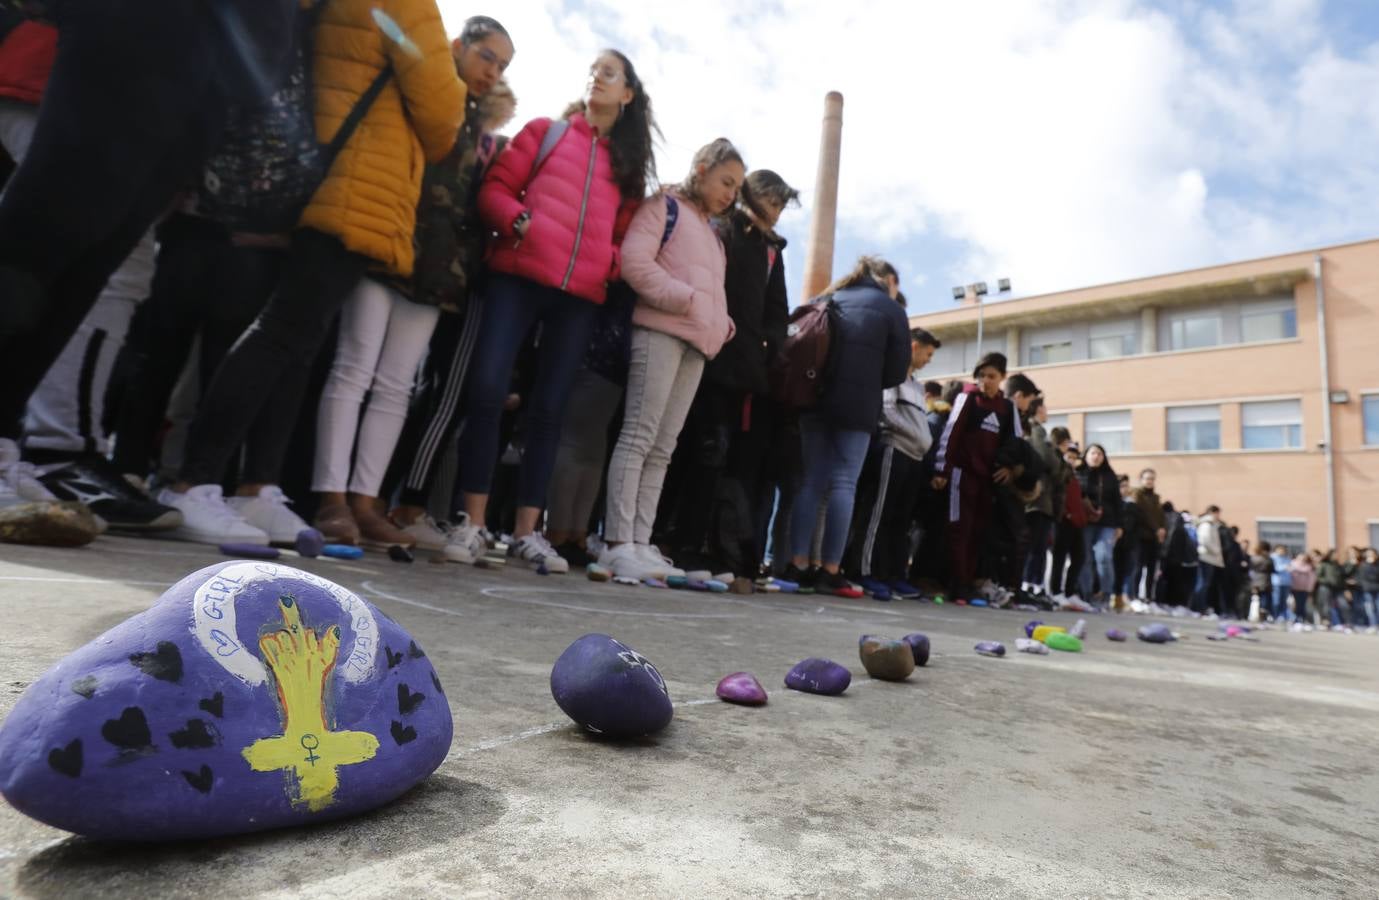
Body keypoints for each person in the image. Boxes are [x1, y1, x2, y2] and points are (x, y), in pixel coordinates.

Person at [157, 0, 466, 545]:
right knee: (283, 332)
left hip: (328, 174)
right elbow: (443, 112)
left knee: (300, 343)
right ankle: (193, 482)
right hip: (357, 183)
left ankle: (256, 489)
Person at [0, 0, 295, 440]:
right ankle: (46, 441)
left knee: (91, 263)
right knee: (39, 240)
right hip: (134, 34)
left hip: (205, 75)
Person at [446, 49, 658, 572]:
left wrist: (606, 265)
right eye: (593, 70)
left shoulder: (627, 168)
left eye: (609, 74)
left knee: (549, 413)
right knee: (489, 391)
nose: (596, 78)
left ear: (628, 94)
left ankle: (526, 532)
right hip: (516, 277)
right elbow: (496, 188)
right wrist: (519, 221)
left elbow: (624, 236)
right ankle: (471, 523)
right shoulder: (546, 131)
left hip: (579, 298)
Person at [311, 15, 515, 549]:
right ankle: (330, 496)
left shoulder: (476, 122)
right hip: (388, 237)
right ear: (458, 47)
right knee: (354, 365)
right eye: (487, 56)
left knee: (397, 385)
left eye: (502, 65)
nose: (492, 72)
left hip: (438, 267)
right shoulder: (424, 87)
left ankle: (365, 500)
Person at [597, 138, 743, 580]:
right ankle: (617, 542)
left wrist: (721, 322)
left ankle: (641, 544)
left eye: (736, 188)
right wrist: (686, 300)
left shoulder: (714, 236)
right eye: (726, 182)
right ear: (701, 168)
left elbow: (709, 294)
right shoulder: (665, 206)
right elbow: (635, 263)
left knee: (663, 447)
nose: (730, 194)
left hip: (697, 344)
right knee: (639, 436)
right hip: (659, 331)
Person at [653, 168, 798, 580]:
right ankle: (663, 539)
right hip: (702, 348)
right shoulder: (720, 227)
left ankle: (690, 544)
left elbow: (777, 307)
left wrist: (767, 346)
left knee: (712, 457)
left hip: (740, 369)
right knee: (681, 449)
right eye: (773, 201)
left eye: (783, 204)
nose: (778, 211)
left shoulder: (772, 249)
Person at [780, 256, 910, 597]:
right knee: (843, 484)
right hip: (857, 408)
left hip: (813, 401)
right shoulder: (890, 308)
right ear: (887, 281)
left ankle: (797, 563)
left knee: (811, 482)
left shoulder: (825, 298)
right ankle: (831, 569)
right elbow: (898, 372)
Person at [846, 327, 940, 599]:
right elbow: (887, 413)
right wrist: (917, 436)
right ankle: (862, 571)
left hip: (914, 458)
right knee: (878, 515)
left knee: (901, 521)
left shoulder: (917, 385)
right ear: (913, 347)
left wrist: (923, 442)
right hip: (894, 450)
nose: (929, 360)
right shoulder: (892, 376)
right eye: (928, 353)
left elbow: (919, 421)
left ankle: (891, 575)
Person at [931, 352, 1022, 601]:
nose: (986, 381)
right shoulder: (968, 399)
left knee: (978, 533)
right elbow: (950, 435)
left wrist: (1009, 468)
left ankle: (968, 583)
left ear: (1002, 377)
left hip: (988, 482)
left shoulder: (1007, 408)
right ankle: (957, 585)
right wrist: (942, 469)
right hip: (962, 477)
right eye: (982, 376)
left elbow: (1015, 443)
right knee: (959, 530)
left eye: (992, 376)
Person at [1023, 397, 1070, 603]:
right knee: (1035, 547)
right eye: (1044, 407)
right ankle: (1029, 585)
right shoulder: (1037, 430)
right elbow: (1047, 459)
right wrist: (1058, 464)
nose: (1046, 410)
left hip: (1043, 500)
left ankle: (1035, 585)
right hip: (1037, 499)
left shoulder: (1038, 431)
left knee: (1039, 547)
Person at [1076, 443, 1122, 609]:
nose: (1096, 456)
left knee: (1104, 556)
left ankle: (1105, 594)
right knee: (1085, 558)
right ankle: (1086, 594)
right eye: (1093, 453)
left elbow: (1118, 502)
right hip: (1085, 522)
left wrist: (1119, 526)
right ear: (1086, 455)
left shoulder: (1110, 476)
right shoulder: (1078, 473)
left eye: (1099, 454)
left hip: (1107, 523)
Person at [1048, 435, 1087, 606]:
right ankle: (1055, 591)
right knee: (1059, 557)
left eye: (1074, 457)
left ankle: (1070, 592)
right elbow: (1056, 495)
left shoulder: (1075, 475)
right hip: (1062, 520)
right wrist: (1065, 513)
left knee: (1079, 556)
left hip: (1077, 522)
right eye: (1068, 456)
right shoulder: (1059, 471)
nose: (1071, 460)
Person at [1129, 468, 1166, 602]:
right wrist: (1157, 528)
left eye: (1152, 478)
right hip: (1141, 536)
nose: (1150, 481)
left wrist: (1162, 529)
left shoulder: (1156, 498)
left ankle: (1149, 597)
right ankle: (1134, 597)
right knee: (1138, 567)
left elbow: (1160, 517)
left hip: (1153, 538)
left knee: (1152, 569)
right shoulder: (1137, 494)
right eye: (1147, 478)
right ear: (1141, 480)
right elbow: (1143, 514)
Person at [1191, 506, 1227, 616]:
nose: (1218, 516)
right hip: (1207, 557)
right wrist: (1216, 551)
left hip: (1210, 558)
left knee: (1205, 584)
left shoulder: (1212, 525)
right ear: (1212, 512)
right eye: (1217, 513)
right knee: (1202, 583)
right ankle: (1198, 607)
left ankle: (1200, 607)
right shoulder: (1207, 525)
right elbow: (1205, 540)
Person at [1289, 551, 1316, 630]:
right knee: (1295, 604)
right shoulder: (1292, 565)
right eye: (1300, 558)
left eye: (1304, 558)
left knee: (1302, 605)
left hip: (1304, 589)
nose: (1302, 559)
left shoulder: (1309, 567)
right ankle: (1295, 619)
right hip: (1294, 588)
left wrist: (1310, 588)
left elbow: (1312, 578)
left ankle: (1301, 619)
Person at [1248, 539, 1274, 622]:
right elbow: (1272, 569)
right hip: (1264, 580)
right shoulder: (1268, 559)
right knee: (1265, 598)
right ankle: (1262, 614)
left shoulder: (1253, 558)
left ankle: (1257, 614)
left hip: (1255, 580)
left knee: (1256, 598)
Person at [1356, 547, 1379, 633]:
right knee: (1370, 608)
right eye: (1368, 553)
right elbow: (1361, 578)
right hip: (1368, 590)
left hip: (1377, 589)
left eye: (1372, 553)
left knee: (1378, 607)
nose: (1370, 555)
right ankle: (1373, 625)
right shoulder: (1363, 565)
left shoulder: (1377, 564)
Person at [1270, 542, 1293, 622]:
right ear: (1276, 550)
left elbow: (1291, 568)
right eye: (1281, 549)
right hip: (1276, 582)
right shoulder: (1272, 557)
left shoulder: (1287, 558)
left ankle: (1282, 616)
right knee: (1276, 600)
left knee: (1284, 601)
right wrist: (1285, 567)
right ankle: (1274, 615)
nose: (1283, 551)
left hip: (1286, 582)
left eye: (1284, 550)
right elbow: (1275, 569)